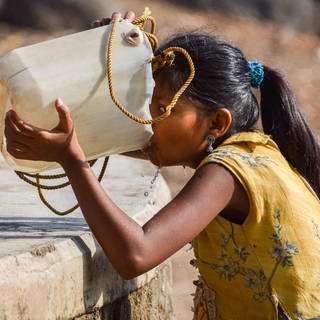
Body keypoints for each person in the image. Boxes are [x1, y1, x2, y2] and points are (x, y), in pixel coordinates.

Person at [4, 11, 320, 320]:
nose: (147, 120)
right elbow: (133, 137)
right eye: (147, 105)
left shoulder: (228, 171)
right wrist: (108, 63)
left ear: (217, 123)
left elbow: (136, 254)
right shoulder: (254, 153)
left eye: (162, 108)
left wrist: (73, 162)